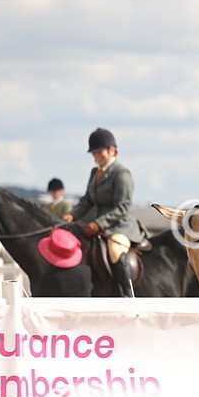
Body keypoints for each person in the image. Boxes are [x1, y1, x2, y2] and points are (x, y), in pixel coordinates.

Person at [64, 127, 142, 297]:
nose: (96, 156)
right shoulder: (95, 173)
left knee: (115, 250)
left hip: (120, 227)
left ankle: (128, 294)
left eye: (99, 152)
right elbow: (87, 200)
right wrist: (72, 215)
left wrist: (99, 223)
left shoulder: (122, 174)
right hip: (98, 226)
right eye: (94, 152)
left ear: (112, 150)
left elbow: (122, 207)